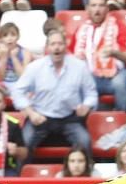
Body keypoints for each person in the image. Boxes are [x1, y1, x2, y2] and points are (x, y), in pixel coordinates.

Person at [11, 28, 97, 161]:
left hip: (70, 117)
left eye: (60, 44)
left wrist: (86, 106)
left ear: (66, 46)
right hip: (40, 117)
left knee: (84, 141)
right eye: (53, 44)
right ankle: (18, 179)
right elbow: (17, 91)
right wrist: (30, 112)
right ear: (47, 47)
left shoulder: (79, 66)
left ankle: (88, 178)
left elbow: (91, 93)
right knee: (24, 144)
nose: (57, 48)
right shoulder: (35, 67)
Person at [68, 0, 126, 111]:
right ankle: (87, 122)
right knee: (77, 82)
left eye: (101, 5)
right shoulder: (81, 30)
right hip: (92, 77)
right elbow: (71, 57)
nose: (97, 9)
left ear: (107, 9)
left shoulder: (119, 27)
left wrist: (114, 53)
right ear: (87, 8)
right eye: (93, 5)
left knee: (120, 82)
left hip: (119, 75)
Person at [0, 22, 33, 89]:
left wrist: (14, 57)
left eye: (13, 35)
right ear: (0, 38)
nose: (9, 38)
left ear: (18, 36)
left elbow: (23, 77)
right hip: (1, 85)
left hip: (20, 85)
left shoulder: (26, 53)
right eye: (5, 35)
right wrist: (4, 57)